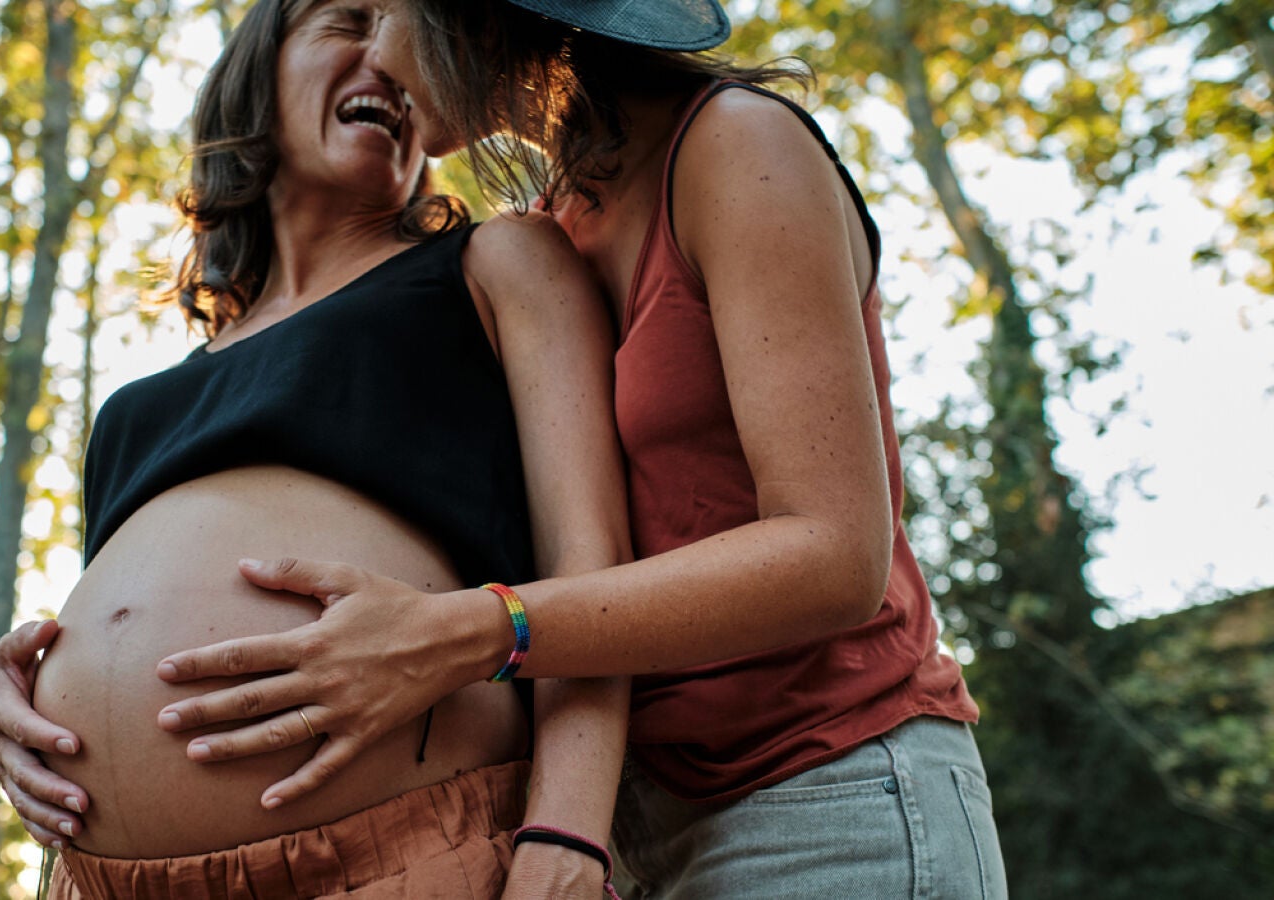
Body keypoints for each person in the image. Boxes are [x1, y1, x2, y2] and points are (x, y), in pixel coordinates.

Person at [144, 0, 1011, 897]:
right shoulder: (556, 223)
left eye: (382, 13)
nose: (374, 54)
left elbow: (835, 558)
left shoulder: (735, 146)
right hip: (638, 817)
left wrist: (477, 630)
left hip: (827, 789)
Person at [0, 0, 633, 896]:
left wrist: (568, 837)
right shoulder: (135, 408)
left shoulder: (495, 264)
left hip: (398, 852)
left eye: (416, 41)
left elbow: (591, 570)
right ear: (259, 72)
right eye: (348, 22)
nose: (390, 58)